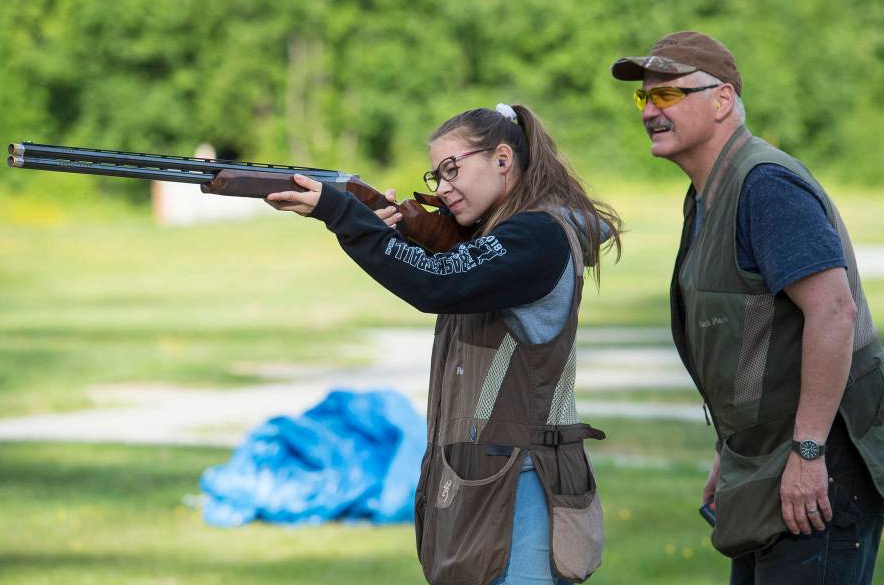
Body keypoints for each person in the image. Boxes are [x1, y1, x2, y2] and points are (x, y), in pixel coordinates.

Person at [610, 32, 884, 584]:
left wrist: (808, 453)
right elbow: (753, 334)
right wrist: (732, 451)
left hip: (825, 456)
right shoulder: (709, 192)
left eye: (667, 96)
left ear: (722, 99)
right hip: (766, 458)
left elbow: (833, 311)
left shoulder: (766, 185)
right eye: (644, 98)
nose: (650, 112)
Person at [260, 104, 622, 585]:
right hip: (488, 483)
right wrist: (385, 232)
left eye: (453, 170)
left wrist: (341, 213)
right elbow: (447, 270)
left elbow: (434, 283)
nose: (443, 187)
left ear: (501, 158)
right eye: (437, 176)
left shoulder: (537, 235)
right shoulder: (506, 235)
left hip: (524, 485)